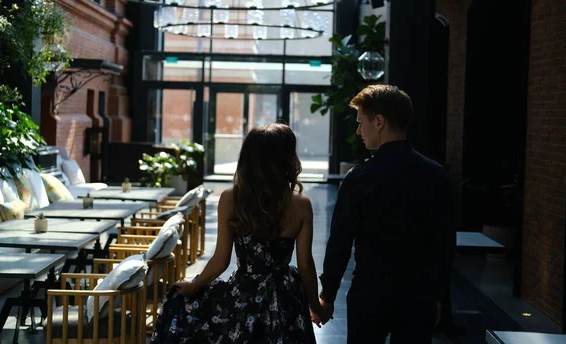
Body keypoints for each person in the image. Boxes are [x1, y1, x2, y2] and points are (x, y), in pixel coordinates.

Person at [151, 123, 327, 344]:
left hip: (245, 293)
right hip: (286, 298)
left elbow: (221, 260)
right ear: (288, 159)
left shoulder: (231, 199)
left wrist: (194, 286)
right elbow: (306, 266)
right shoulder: (301, 204)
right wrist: (315, 307)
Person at [316, 84, 455, 343]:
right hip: (418, 296)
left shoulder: (359, 179)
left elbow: (340, 243)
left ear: (379, 122)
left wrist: (328, 296)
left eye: (361, 122)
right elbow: (444, 244)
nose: (358, 131)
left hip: (370, 294)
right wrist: (438, 298)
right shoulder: (436, 175)